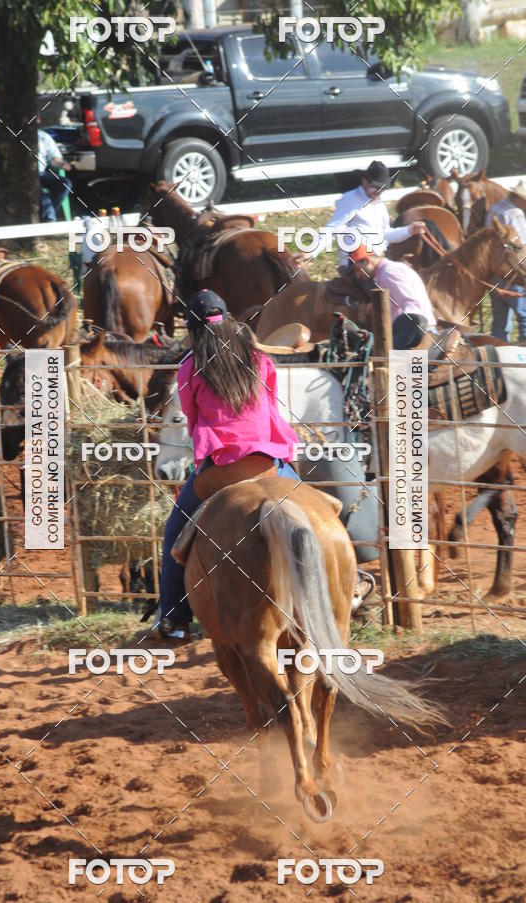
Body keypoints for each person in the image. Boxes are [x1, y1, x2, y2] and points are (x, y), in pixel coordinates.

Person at [155, 289, 301, 642]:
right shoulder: (259, 360)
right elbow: (271, 408)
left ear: (192, 328)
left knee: (174, 534)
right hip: (268, 462)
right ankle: (353, 584)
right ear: (228, 318)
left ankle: (174, 619)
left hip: (219, 468)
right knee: (317, 510)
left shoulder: (189, 367)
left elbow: (192, 420)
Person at [308, 161, 426, 268]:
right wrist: (311, 252)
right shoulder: (350, 199)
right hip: (356, 264)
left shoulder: (379, 205)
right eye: (375, 187)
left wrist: (409, 230)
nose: (378, 192)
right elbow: (332, 229)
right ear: (364, 181)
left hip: (376, 262)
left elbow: (385, 234)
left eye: (381, 189)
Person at [349, 244, 437, 343]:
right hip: (417, 330)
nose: (357, 275)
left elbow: (411, 304)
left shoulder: (388, 273)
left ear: (367, 261)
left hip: (417, 334)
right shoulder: (387, 271)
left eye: (357, 269)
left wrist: (397, 339)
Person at [485, 180, 526, 342]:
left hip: (495, 272)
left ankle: (499, 350)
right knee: (524, 315)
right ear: (520, 199)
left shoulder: (494, 208)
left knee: (500, 320)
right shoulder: (515, 213)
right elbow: (522, 246)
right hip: (513, 272)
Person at [37, 117, 72, 222]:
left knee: (65, 183)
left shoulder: (43, 137)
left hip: (41, 174)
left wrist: (62, 163)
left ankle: (50, 213)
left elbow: (54, 159)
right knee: (37, 189)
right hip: (24, 176)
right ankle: (49, 218)